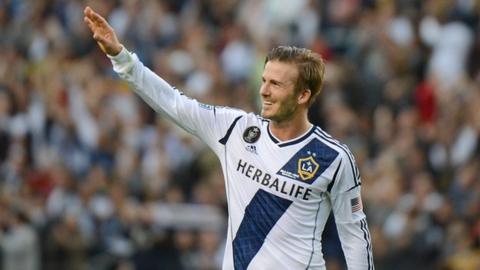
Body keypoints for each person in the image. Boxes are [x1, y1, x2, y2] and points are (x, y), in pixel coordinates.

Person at [83, 6, 374, 270]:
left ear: (303, 95)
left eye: (275, 84)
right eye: (263, 81)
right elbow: (173, 103)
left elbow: (354, 236)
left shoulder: (333, 158)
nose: (264, 91)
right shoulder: (236, 129)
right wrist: (121, 57)